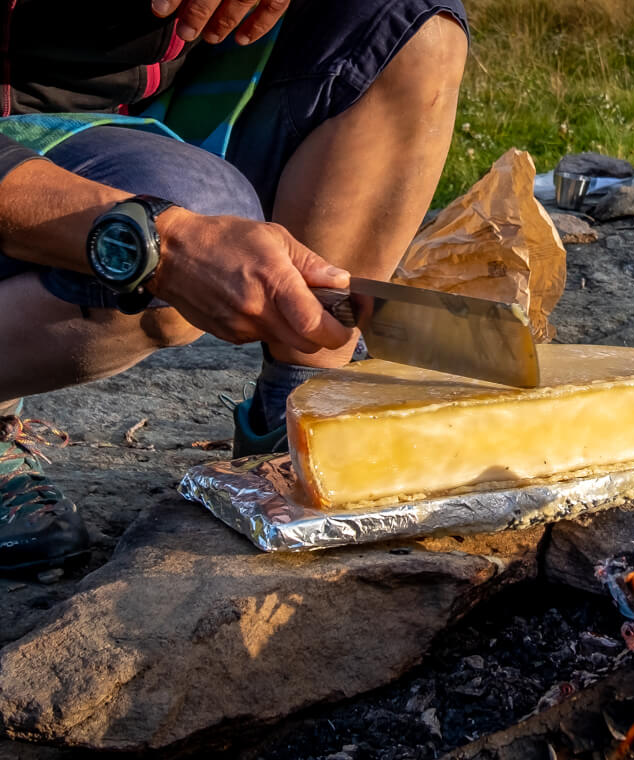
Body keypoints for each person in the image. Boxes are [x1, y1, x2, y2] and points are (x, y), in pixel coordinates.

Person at [0, 0, 469, 574]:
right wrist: (162, 242)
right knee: (174, 240)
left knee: (406, 20)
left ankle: (300, 424)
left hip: (122, 108)